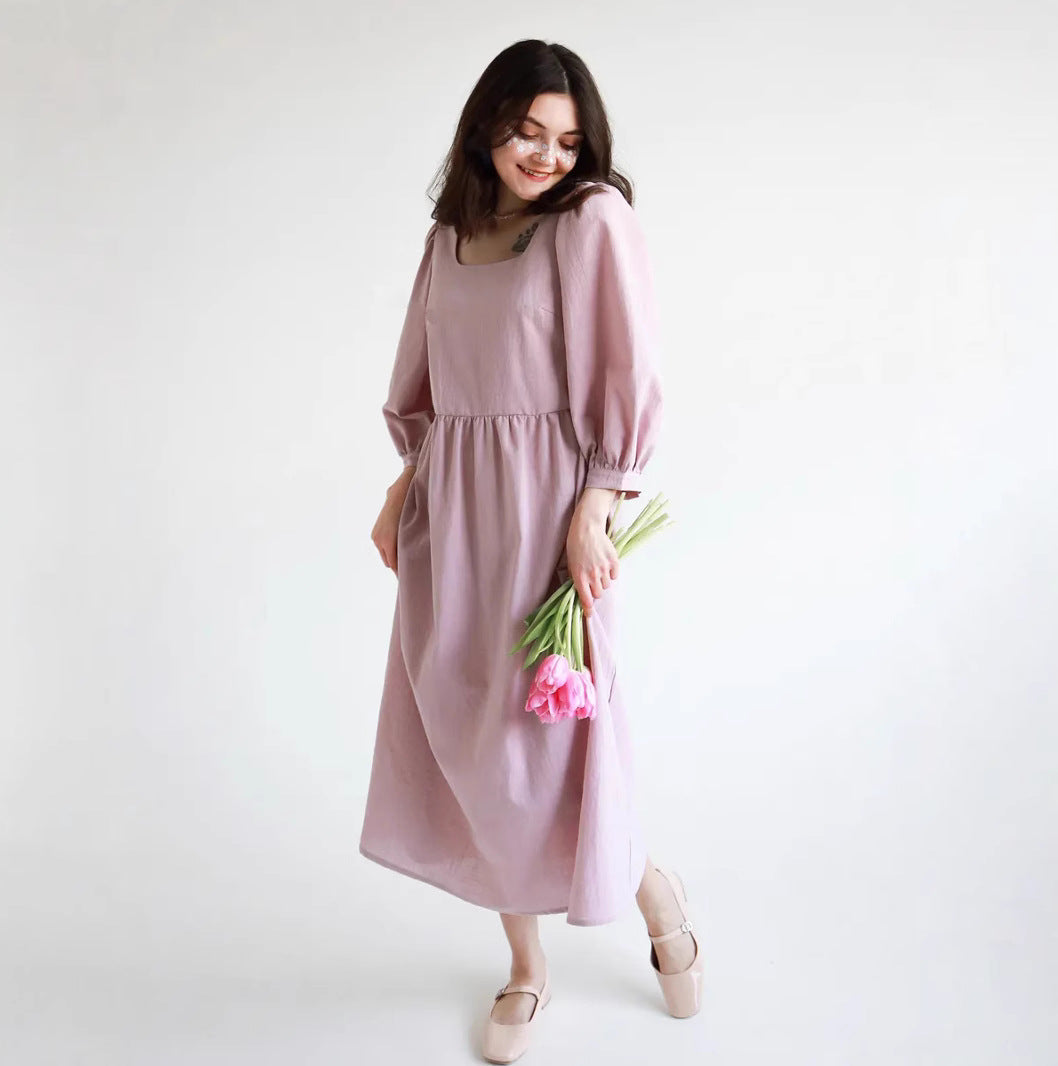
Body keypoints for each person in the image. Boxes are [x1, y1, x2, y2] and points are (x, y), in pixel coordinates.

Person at [363, 39, 703, 1062]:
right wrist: (402, 488)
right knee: (476, 748)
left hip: (548, 511)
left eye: (566, 139)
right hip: (451, 516)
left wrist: (594, 507)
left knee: (552, 749)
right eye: (526, 132)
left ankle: (653, 891)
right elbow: (425, 385)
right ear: (486, 128)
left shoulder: (590, 223)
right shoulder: (450, 237)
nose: (546, 155)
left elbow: (626, 373)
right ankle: (525, 966)